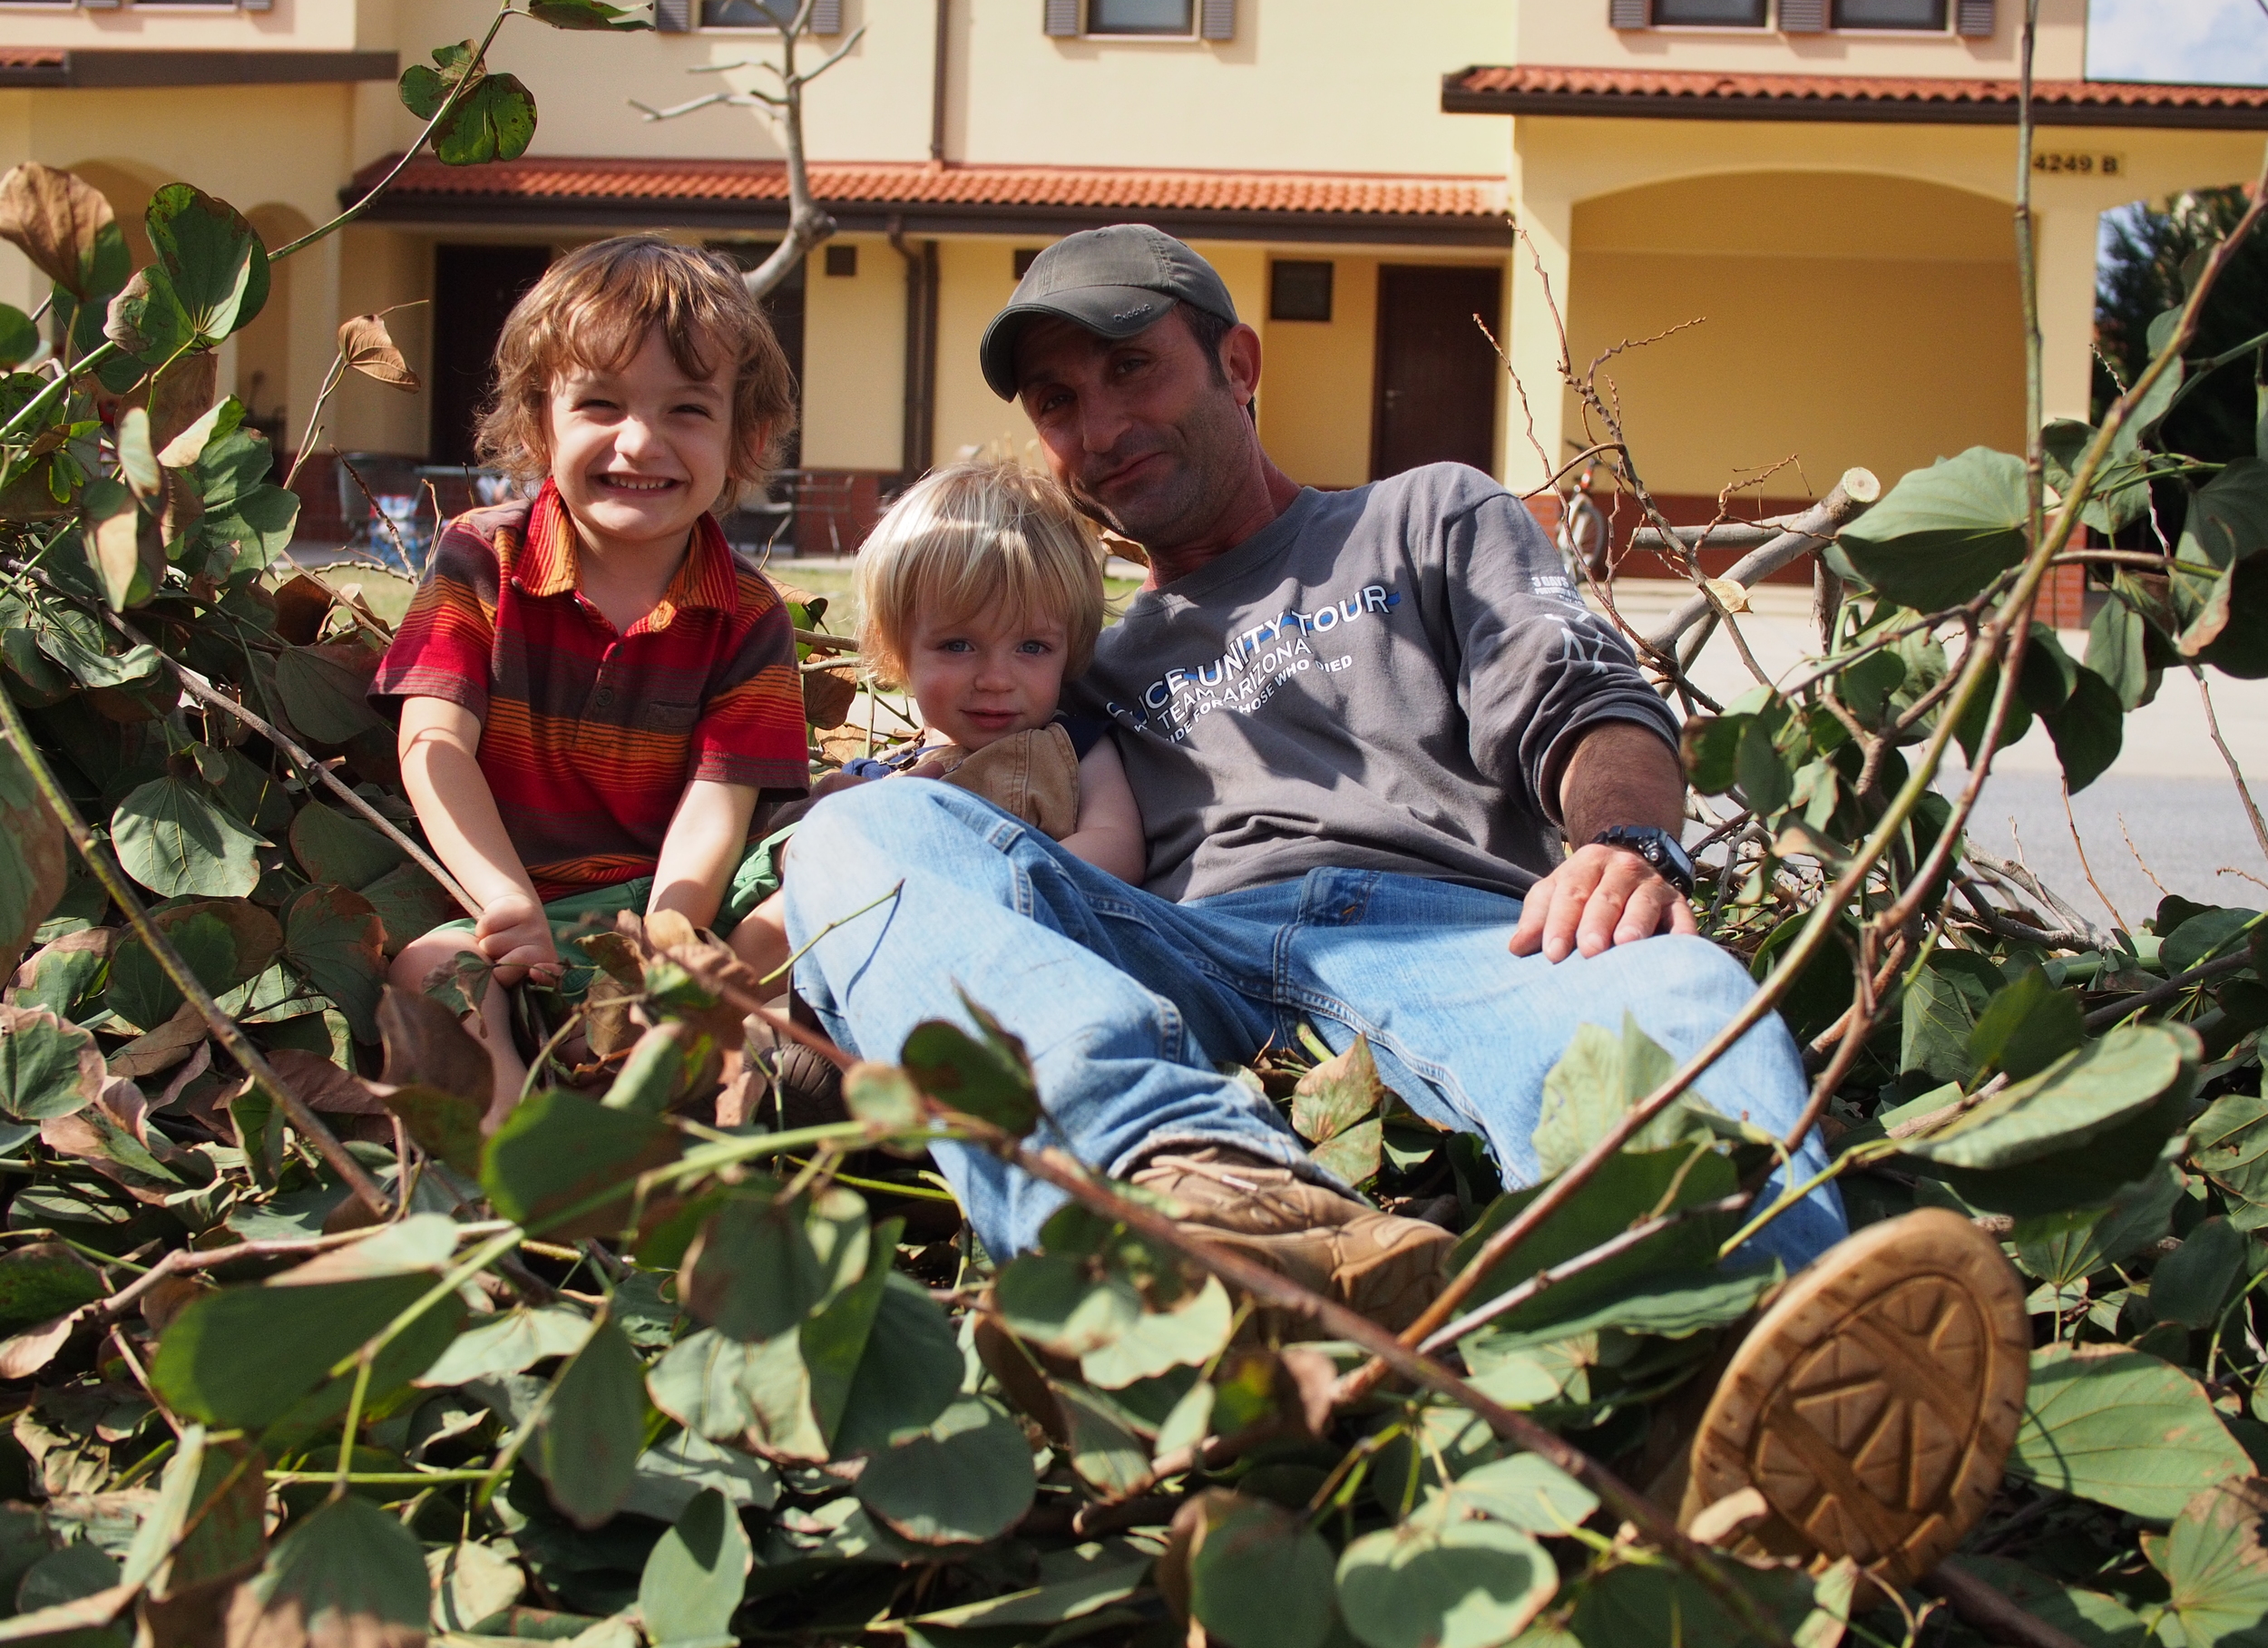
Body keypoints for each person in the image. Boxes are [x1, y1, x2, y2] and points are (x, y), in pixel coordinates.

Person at [777, 227, 2027, 1587]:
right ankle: (1180, 1203)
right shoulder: (1082, 655)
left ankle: (1758, 1370)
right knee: (860, 829)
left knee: (1674, 985)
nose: (1101, 425)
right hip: (1194, 944)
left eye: (1132, 368)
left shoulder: (1426, 517)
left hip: (1462, 931)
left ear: (1238, 364)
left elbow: (1588, 697)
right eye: (1059, 403)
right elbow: (977, 844)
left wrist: (1627, 840)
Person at [372, 236, 811, 1131]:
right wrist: (505, 902)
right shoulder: (481, 557)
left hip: (668, 901)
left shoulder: (748, 610)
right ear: (541, 424)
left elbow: (717, 802)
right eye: (600, 404)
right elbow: (433, 745)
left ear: (746, 437)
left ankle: (681, 1085)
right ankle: (510, 1165)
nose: (639, 442)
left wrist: (674, 930)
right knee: (429, 970)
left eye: (688, 410)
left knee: (817, 888)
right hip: (508, 900)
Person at [730, 457, 1146, 984]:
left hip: (1026, 956)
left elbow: (1118, 847)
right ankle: (693, 1004)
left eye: (1032, 647)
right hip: (889, 965)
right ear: (898, 650)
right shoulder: (880, 777)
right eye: (958, 645)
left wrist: (988, 885)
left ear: (1071, 649)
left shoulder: (1073, 747)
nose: (996, 678)